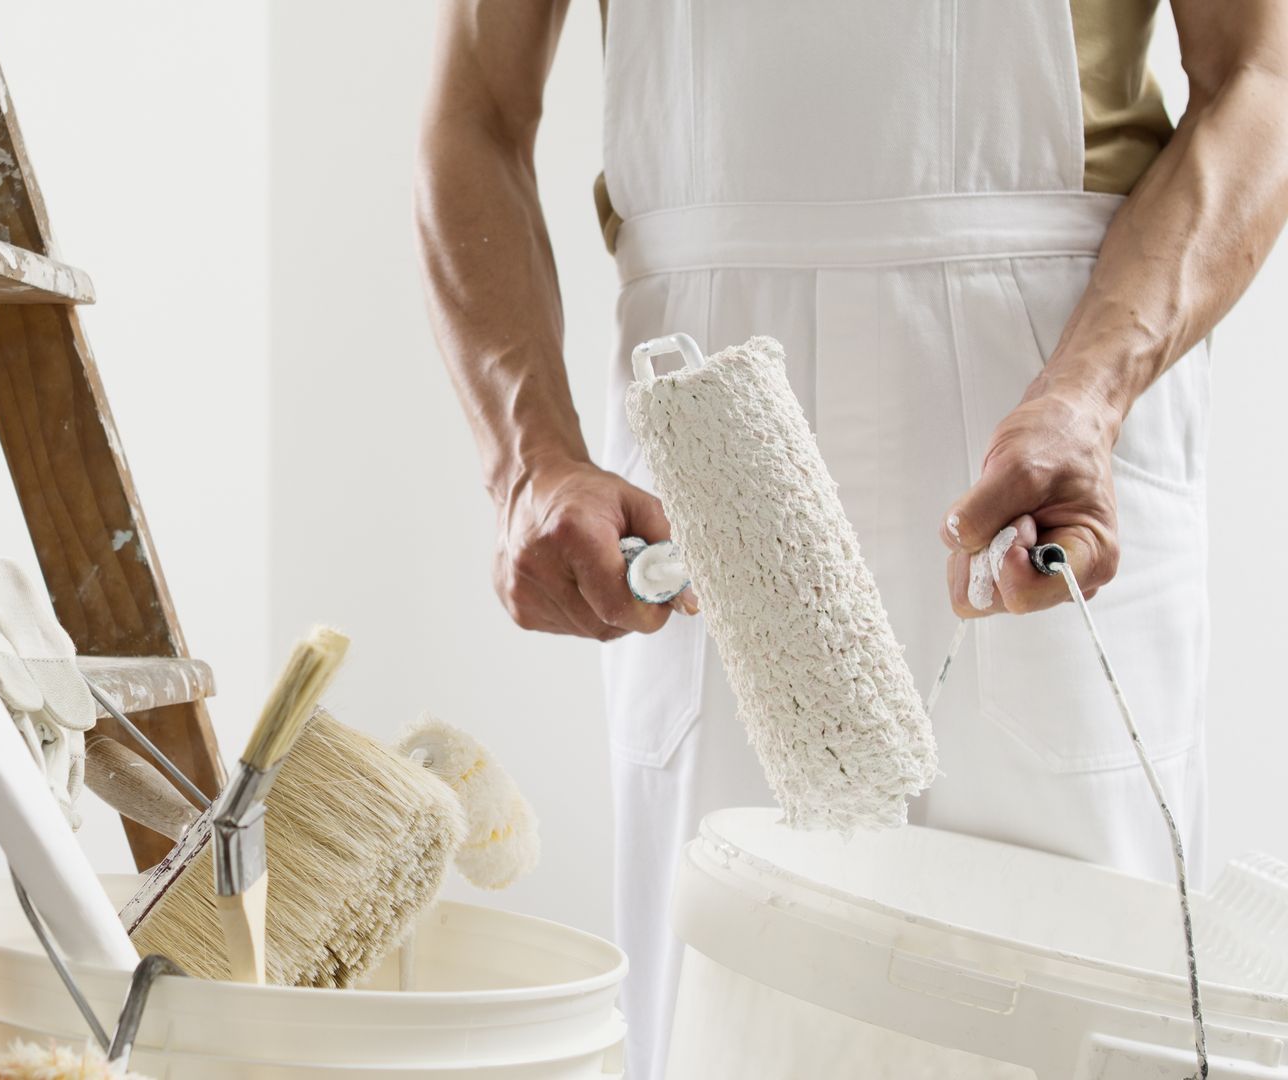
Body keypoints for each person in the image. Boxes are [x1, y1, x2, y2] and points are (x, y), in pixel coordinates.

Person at [414, 2, 1288, 1076]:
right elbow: (475, 110)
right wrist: (528, 464)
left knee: (1081, 1005)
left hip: (1051, 389)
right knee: (727, 1001)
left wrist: (1093, 395)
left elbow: (1259, 77)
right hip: (711, 424)